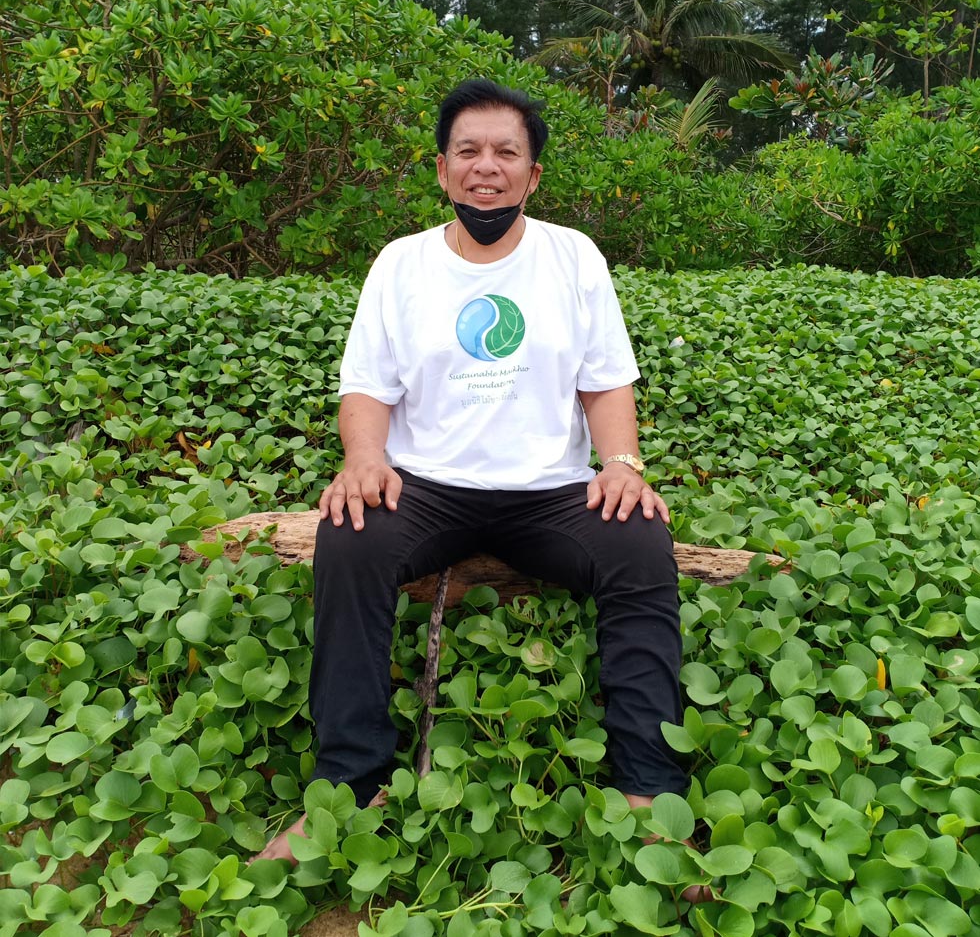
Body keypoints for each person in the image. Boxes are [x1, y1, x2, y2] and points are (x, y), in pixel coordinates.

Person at [254, 78, 710, 902]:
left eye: (507, 152)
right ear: (441, 169)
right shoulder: (401, 264)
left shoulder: (573, 257)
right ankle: (351, 781)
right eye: (468, 151)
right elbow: (367, 391)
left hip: (548, 492)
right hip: (426, 485)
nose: (486, 168)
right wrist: (364, 458)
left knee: (640, 541)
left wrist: (622, 465)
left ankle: (648, 788)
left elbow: (607, 385)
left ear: (534, 175)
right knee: (348, 538)